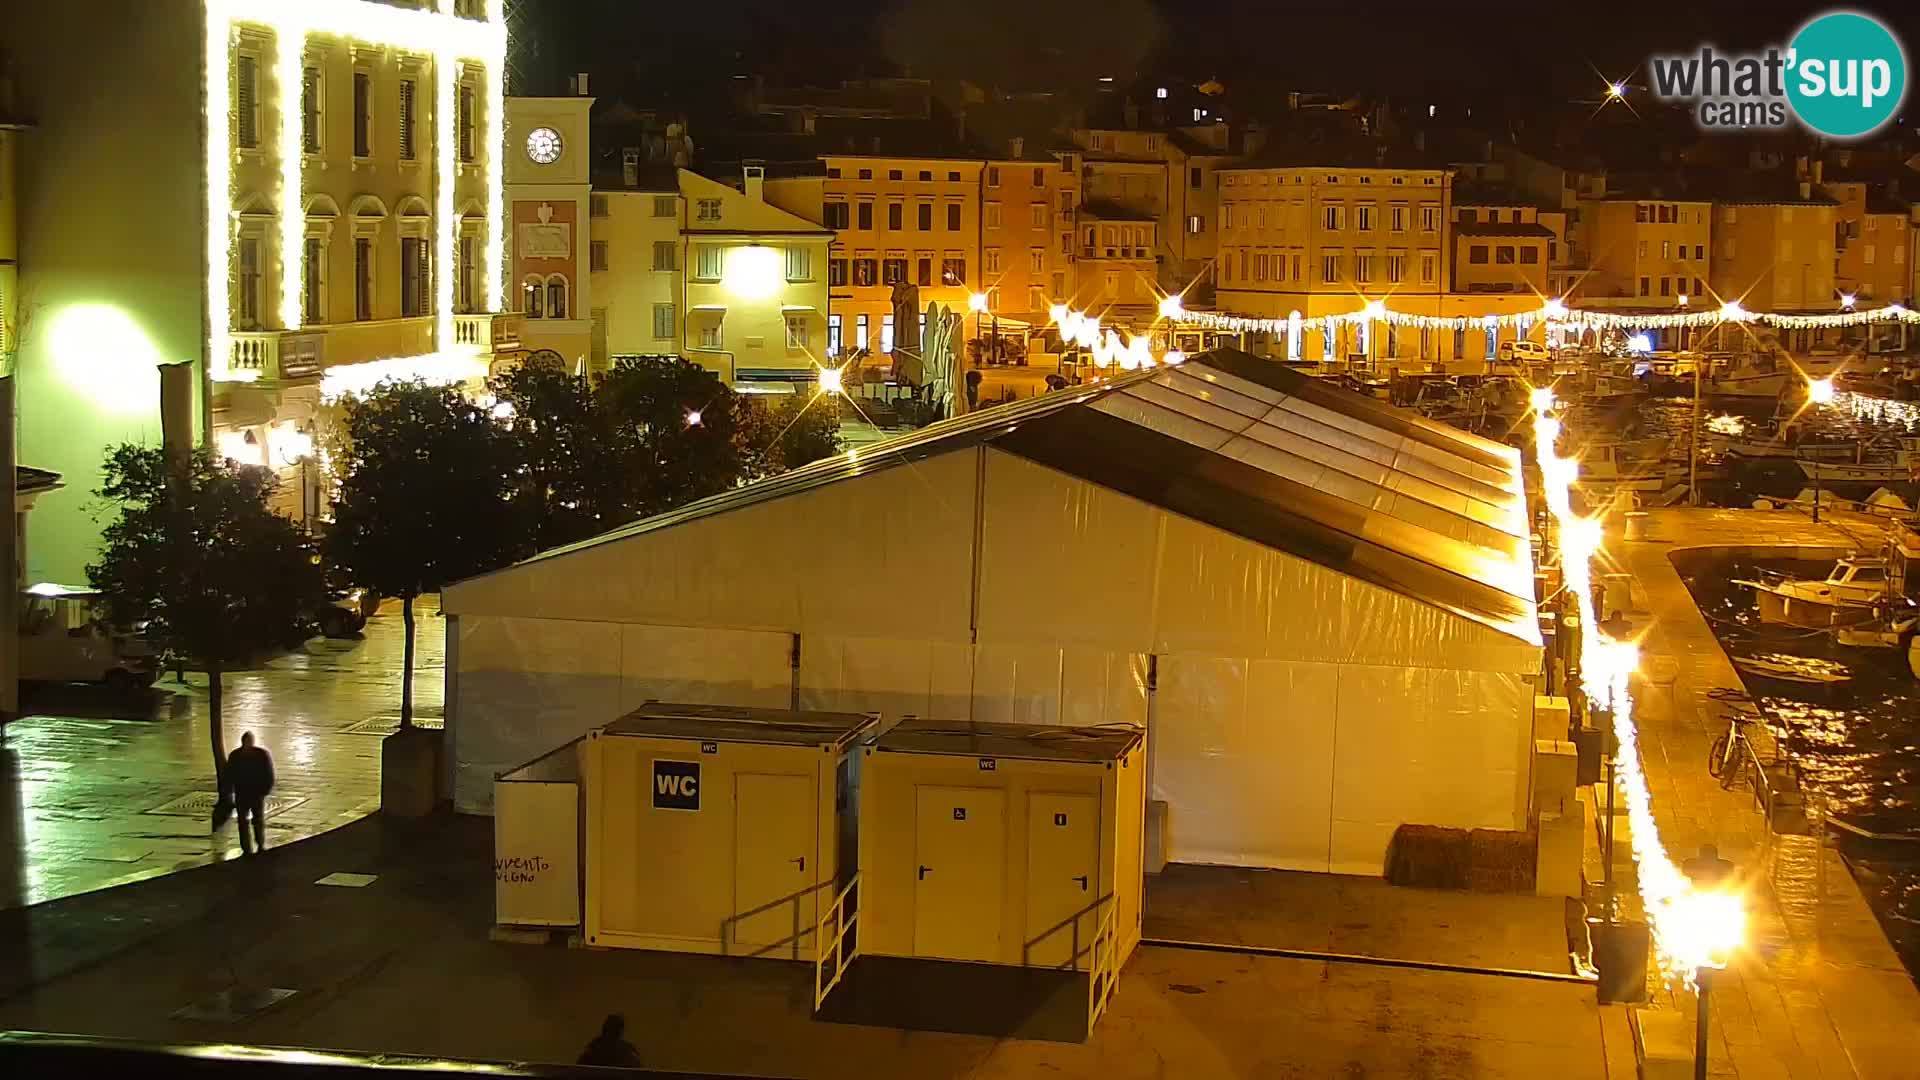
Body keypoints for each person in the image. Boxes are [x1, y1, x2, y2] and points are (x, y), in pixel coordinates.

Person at [227, 732, 274, 855]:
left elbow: (229, 774)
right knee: (251, 821)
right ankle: (254, 846)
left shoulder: (235, 755)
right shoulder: (261, 754)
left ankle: (252, 846)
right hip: (250, 793)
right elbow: (268, 773)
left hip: (247, 793)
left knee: (250, 821)